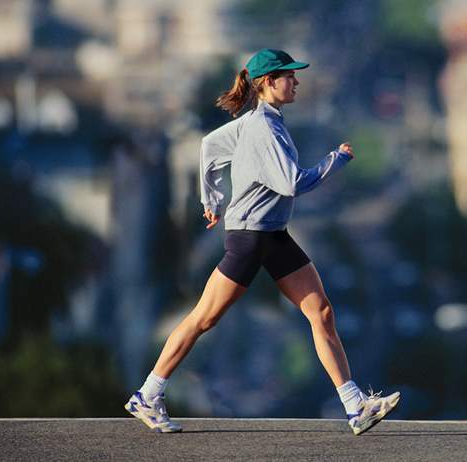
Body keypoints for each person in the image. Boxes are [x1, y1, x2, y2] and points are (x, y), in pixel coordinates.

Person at [125, 48, 400, 435]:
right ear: (268, 83)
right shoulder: (263, 129)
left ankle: (356, 407)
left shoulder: (257, 121)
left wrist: (212, 200)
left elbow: (208, 146)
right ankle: (148, 395)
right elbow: (291, 183)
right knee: (203, 318)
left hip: (273, 235)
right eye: (289, 75)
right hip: (251, 239)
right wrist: (335, 160)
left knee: (321, 312)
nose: (297, 81)